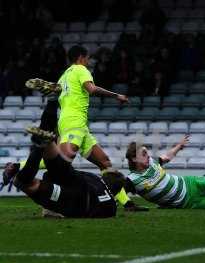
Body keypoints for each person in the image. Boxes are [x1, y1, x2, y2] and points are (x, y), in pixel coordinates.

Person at [4, 45, 141, 210]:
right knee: (61, 161)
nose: (88, 61)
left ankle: (127, 203)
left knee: (104, 162)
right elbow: (91, 89)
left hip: (74, 123)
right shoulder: (81, 69)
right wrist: (116, 95)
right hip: (74, 122)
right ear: (82, 57)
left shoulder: (63, 77)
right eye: (88, 58)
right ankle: (18, 166)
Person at [13, 106, 124, 218]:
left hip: (79, 184)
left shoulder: (96, 178)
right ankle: (40, 146)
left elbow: (64, 172)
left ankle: (51, 107)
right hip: (77, 203)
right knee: (23, 182)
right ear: (116, 193)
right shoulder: (112, 207)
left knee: (55, 167)